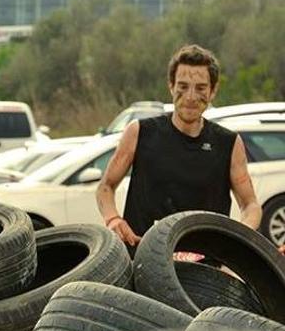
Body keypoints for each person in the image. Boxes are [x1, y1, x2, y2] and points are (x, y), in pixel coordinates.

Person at [96, 44, 263, 255]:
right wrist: (113, 219)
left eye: (201, 88)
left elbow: (251, 206)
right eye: (183, 86)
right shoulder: (139, 132)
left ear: (213, 91)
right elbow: (105, 187)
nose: (191, 96)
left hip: (204, 266)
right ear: (171, 86)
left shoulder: (228, 143)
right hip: (142, 258)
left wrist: (237, 236)